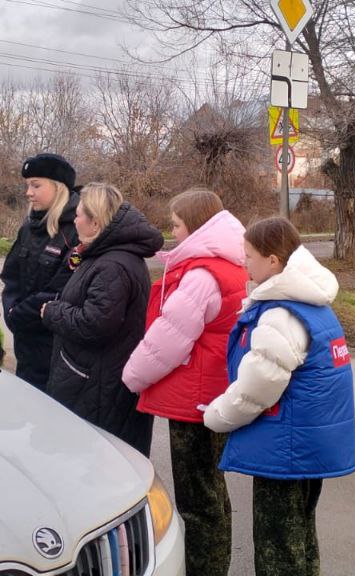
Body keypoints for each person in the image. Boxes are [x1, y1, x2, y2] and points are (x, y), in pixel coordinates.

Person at [203, 217, 355, 576]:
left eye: (249, 256)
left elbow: (258, 386)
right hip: (308, 444)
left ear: (273, 261)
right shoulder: (311, 302)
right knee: (300, 538)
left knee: (277, 547)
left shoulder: (281, 313)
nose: (245, 263)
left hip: (286, 450)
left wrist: (216, 416)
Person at [122, 189, 246, 575]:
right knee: (212, 492)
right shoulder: (229, 264)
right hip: (213, 392)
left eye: (176, 224)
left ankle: (203, 569)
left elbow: (169, 339)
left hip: (193, 400)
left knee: (198, 500)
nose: (173, 232)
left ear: (196, 225)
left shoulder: (201, 275)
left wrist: (132, 376)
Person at [40, 183, 163, 456]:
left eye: (80, 214)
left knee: (100, 465)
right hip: (98, 380)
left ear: (95, 222)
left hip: (98, 386)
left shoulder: (112, 265)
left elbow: (96, 323)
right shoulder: (105, 256)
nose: (75, 219)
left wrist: (53, 312)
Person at [0, 153, 79, 391]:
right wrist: (11, 311)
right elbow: (10, 275)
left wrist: (22, 314)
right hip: (26, 346)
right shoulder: (29, 227)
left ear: (58, 188)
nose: (28, 193)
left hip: (55, 348)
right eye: (27, 185)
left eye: (36, 185)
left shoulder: (76, 228)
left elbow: (63, 289)